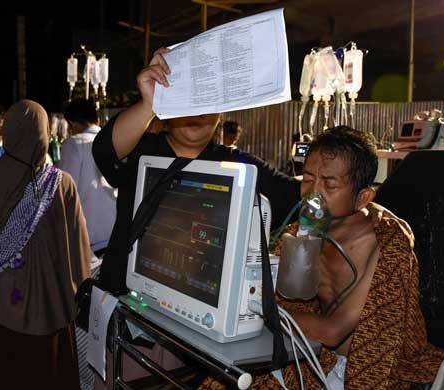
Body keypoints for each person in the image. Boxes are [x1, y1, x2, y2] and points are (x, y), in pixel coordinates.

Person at [199, 126, 444, 389]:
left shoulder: (385, 243)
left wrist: (258, 310)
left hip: (354, 367)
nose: (312, 193)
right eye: (307, 178)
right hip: (310, 353)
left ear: (363, 197)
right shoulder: (299, 233)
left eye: (329, 184)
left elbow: (333, 331)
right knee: (224, 380)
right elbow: (277, 295)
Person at [92, 47, 301, 295]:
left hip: (197, 309)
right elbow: (106, 152)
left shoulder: (237, 165)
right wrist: (149, 102)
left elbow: (295, 195)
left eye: (208, 99)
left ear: (221, 113)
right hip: (125, 299)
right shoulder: (142, 152)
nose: (198, 110)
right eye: (189, 97)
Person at [0, 100, 93, 389]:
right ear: (44, 133)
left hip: (2, 309)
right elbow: (80, 251)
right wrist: (79, 297)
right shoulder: (63, 183)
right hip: (54, 308)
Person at [59, 98, 117, 260]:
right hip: (114, 228)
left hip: (89, 233)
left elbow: (66, 189)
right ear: (96, 119)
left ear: (74, 124)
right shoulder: (114, 141)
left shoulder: (74, 143)